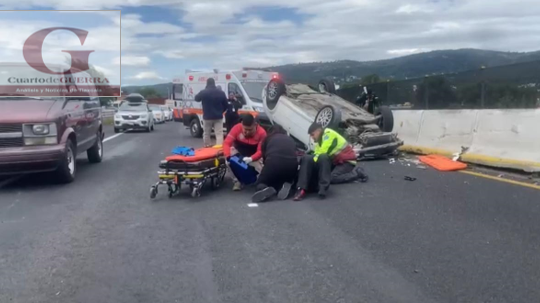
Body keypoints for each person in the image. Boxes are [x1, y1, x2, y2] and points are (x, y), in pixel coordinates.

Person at [293, 123, 368, 201]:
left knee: (332, 178)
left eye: (312, 134)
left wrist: (313, 163)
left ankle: (357, 173)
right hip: (337, 161)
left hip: (347, 161)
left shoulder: (328, 134)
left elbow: (323, 153)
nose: (312, 137)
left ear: (319, 131)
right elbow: (316, 154)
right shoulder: (320, 141)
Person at [251, 124, 299, 202]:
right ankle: (283, 185)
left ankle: (263, 188)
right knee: (281, 179)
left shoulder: (268, 138)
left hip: (274, 163)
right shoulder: (290, 139)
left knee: (262, 181)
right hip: (292, 166)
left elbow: (264, 157)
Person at [223, 113, 267, 191]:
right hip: (239, 152)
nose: (246, 132)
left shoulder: (262, 133)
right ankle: (237, 181)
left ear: (255, 125)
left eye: (250, 130)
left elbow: (260, 151)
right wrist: (227, 156)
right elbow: (227, 143)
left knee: (262, 171)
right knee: (228, 161)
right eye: (245, 129)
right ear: (241, 125)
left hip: (254, 155)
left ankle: (258, 181)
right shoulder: (237, 128)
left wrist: (251, 158)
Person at [194, 78, 228, 147]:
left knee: (206, 133)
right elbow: (226, 105)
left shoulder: (204, 92)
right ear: (214, 83)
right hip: (218, 116)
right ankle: (219, 148)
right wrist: (221, 111)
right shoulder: (221, 93)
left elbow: (196, 98)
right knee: (219, 133)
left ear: (207, 83)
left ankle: (207, 147)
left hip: (207, 116)